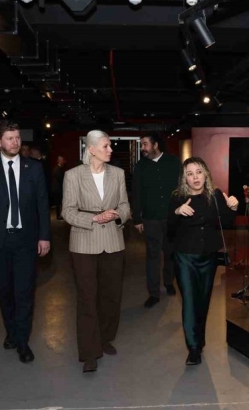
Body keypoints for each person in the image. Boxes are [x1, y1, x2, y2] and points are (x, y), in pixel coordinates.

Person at [0, 119, 51, 364]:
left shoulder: (34, 168)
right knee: (5, 292)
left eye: (17, 137)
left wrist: (44, 236)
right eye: (10, 138)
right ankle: (11, 332)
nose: (15, 142)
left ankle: (22, 342)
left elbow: (42, 205)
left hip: (26, 241)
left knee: (24, 293)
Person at [62, 130, 130, 373]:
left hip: (113, 241)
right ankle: (89, 352)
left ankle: (104, 338)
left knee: (111, 296)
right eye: (105, 146)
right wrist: (94, 218)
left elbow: (125, 205)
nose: (110, 150)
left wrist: (118, 214)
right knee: (87, 297)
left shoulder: (118, 174)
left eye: (110, 146)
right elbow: (67, 211)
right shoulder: (73, 175)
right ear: (91, 150)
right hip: (84, 243)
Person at [167, 157, 238, 366]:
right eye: (190, 174)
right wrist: (177, 212)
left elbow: (226, 223)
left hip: (208, 257)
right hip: (184, 257)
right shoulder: (177, 197)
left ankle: (199, 338)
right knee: (190, 301)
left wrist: (232, 207)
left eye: (198, 172)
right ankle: (193, 348)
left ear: (205, 174)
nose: (195, 177)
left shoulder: (214, 195)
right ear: (184, 178)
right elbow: (169, 229)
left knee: (203, 300)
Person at [132, 133, 181, 309]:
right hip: (150, 219)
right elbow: (136, 193)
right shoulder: (140, 166)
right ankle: (153, 293)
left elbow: (182, 188)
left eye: (145, 144)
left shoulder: (174, 162)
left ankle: (168, 282)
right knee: (152, 255)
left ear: (155, 145)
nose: (143, 148)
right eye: (142, 145)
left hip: (172, 217)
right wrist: (137, 218)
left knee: (170, 253)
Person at [52, 155, 66, 220]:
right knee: (58, 203)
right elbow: (60, 179)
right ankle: (59, 215)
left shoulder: (59, 168)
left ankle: (60, 215)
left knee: (60, 203)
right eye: (62, 160)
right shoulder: (57, 169)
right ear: (59, 161)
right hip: (57, 189)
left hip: (59, 188)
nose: (63, 161)